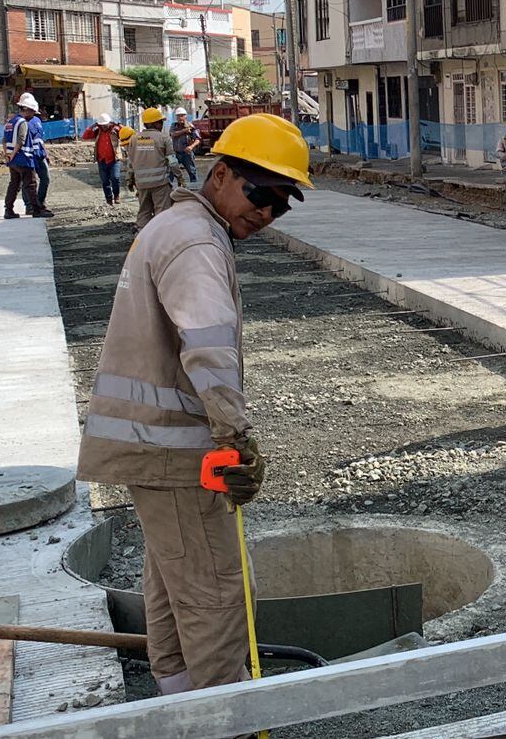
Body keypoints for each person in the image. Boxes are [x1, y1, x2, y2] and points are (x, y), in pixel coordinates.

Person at [77, 113, 311, 696]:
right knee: (214, 591)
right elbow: (207, 346)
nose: (266, 211)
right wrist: (237, 437)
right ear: (222, 174)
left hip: (149, 444)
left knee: (171, 581)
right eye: (261, 193)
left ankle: (178, 704)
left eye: (281, 205)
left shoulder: (178, 226)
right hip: (175, 450)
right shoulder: (196, 241)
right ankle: (221, 719)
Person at [129, 108, 186, 231]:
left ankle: (141, 236)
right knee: (162, 212)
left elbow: (131, 162)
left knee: (144, 211)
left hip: (142, 184)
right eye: (160, 122)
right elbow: (172, 160)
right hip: (160, 184)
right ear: (155, 123)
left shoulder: (135, 139)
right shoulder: (163, 138)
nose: (162, 125)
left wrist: (129, 180)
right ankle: (161, 237)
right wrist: (180, 177)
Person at [2, 92, 47, 219]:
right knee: (31, 184)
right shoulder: (22, 123)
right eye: (32, 111)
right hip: (24, 158)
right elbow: (21, 141)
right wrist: (14, 154)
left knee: (14, 184)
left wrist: (8, 155)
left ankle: (8, 210)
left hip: (13, 160)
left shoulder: (10, 122)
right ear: (26, 109)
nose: (33, 115)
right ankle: (36, 210)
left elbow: (4, 140)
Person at [84, 113, 124, 205]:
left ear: (109, 123)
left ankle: (116, 195)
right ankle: (109, 199)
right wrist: (93, 126)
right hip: (102, 160)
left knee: (115, 178)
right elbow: (85, 136)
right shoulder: (97, 131)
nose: (104, 126)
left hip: (114, 159)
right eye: (102, 125)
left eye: (105, 124)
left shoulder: (116, 130)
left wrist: (117, 124)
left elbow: (126, 132)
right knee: (105, 181)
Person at [171, 107, 202, 184]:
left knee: (192, 172)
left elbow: (198, 139)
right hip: (176, 153)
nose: (180, 118)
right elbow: (173, 134)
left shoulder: (190, 126)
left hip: (186, 154)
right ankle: (169, 188)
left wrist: (191, 147)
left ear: (185, 116)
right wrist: (184, 130)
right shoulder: (174, 126)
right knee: (171, 171)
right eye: (178, 116)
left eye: (182, 115)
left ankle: (194, 188)